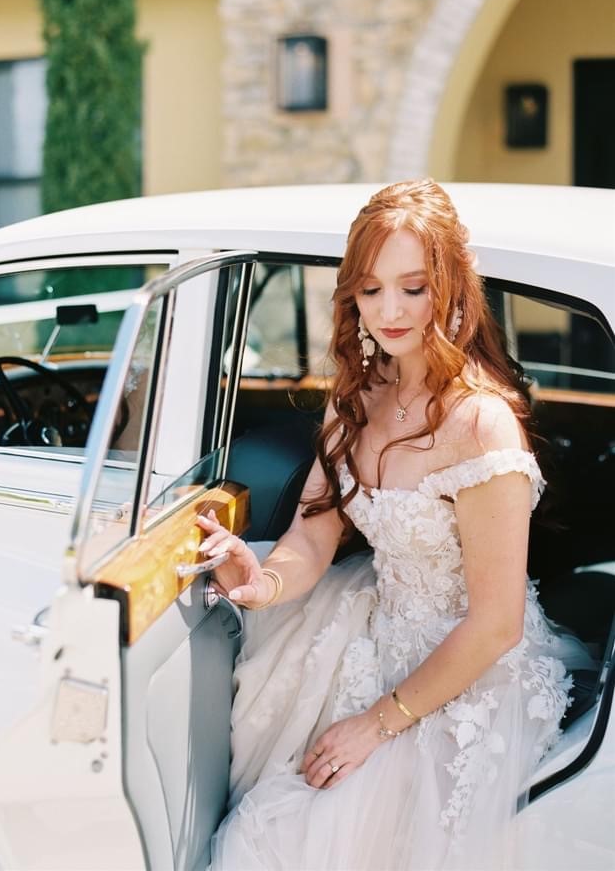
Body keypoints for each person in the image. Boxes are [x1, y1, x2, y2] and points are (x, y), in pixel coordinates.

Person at [198, 179, 590, 871]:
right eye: (371, 289)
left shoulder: (479, 421)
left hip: (472, 673)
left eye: (412, 287)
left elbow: (494, 623)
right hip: (378, 635)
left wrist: (372, 725)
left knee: (291, 842)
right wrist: (257, 583)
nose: (389, 310)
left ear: (450, 287)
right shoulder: (358, 395)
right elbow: (312, 535)